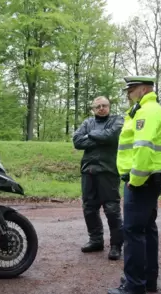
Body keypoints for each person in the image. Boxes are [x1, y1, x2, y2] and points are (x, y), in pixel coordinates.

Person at [107, 76, 161, 294]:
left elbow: (143, 148)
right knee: (147, 227)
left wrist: (135, 179)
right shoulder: (145, 109)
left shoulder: (147, 111)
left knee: (133, 230)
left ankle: (134, 285)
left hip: (143, 178)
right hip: (151, 176)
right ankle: (147, 279)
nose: (128, 94)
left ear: (143, 89)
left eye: (131, 90)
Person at [72, 96, 124, 260]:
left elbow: (111, 137)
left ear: (109, 107)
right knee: (89, 207)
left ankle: (116, 245)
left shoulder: (117, 120)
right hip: (88, 171)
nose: (101, 108)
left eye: (104, 105)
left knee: (111, 209)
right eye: (98, 106)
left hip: (108, 171)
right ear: (93, 109)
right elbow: (77, 141)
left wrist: (91, 136)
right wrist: (100, 138)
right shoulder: (87, 122)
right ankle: (96, 240)